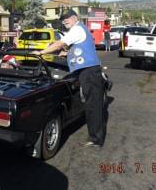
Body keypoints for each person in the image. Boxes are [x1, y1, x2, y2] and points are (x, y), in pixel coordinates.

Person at [32, 9, 106, 148]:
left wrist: (41, 52)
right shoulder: (78, 30)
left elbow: (60, 43)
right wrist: (67, 53)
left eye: (67, 18)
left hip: (89, 71)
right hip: (86, 71)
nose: (65, 20)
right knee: (90, 104)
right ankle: (95, 136)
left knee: (93, 106)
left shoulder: (77, 30)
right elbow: (78, 49)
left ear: (75, 18)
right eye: (63, 19)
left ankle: (96, 139)